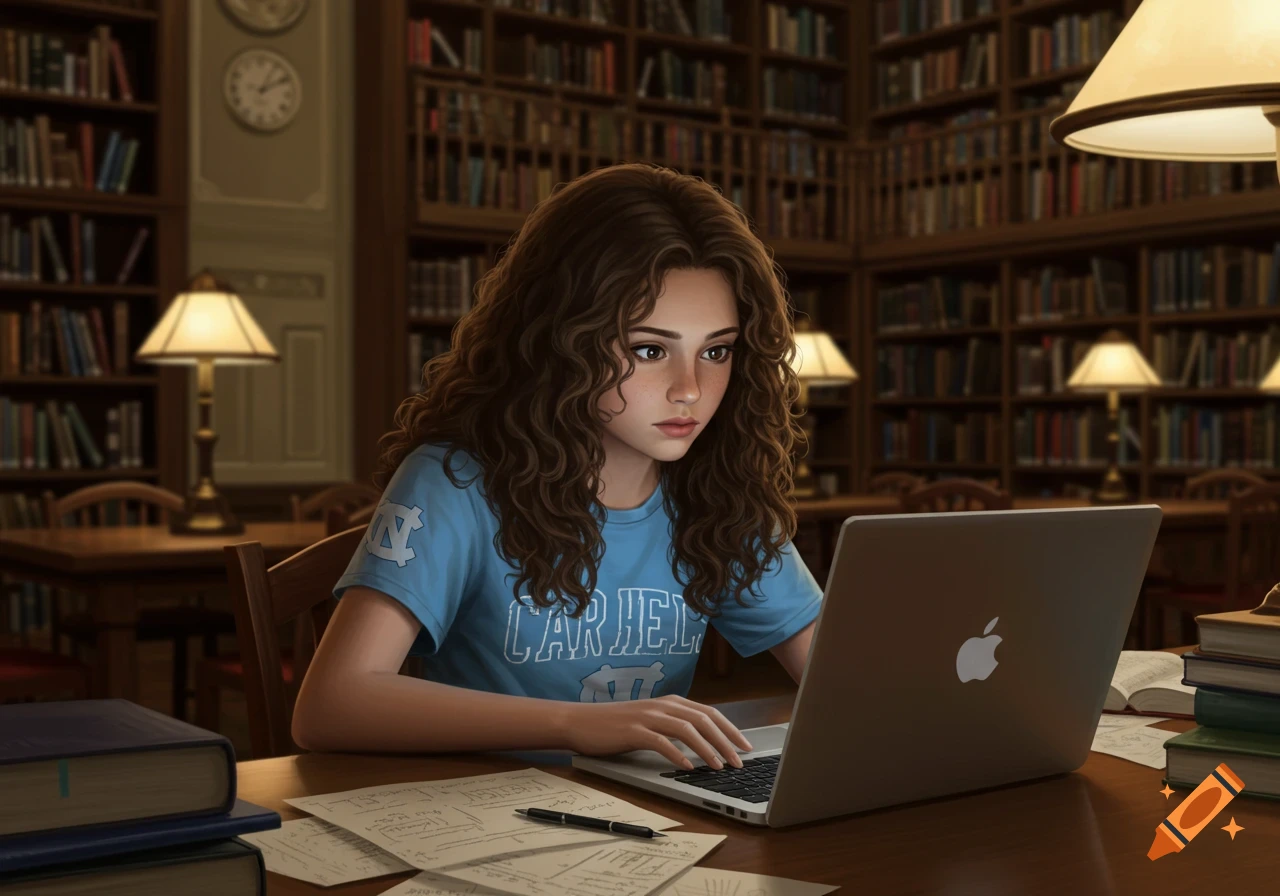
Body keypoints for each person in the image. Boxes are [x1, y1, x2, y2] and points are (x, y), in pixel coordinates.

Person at [292, 162, 824, 772]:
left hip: (649, 815)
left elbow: (843, 680)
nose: (690, 389)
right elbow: (330, 704)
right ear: (563, 338)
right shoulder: (456, 482)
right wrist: (576, 726)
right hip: (478, 811)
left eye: (716, 351)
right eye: (649, 350)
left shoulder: (716, 490)